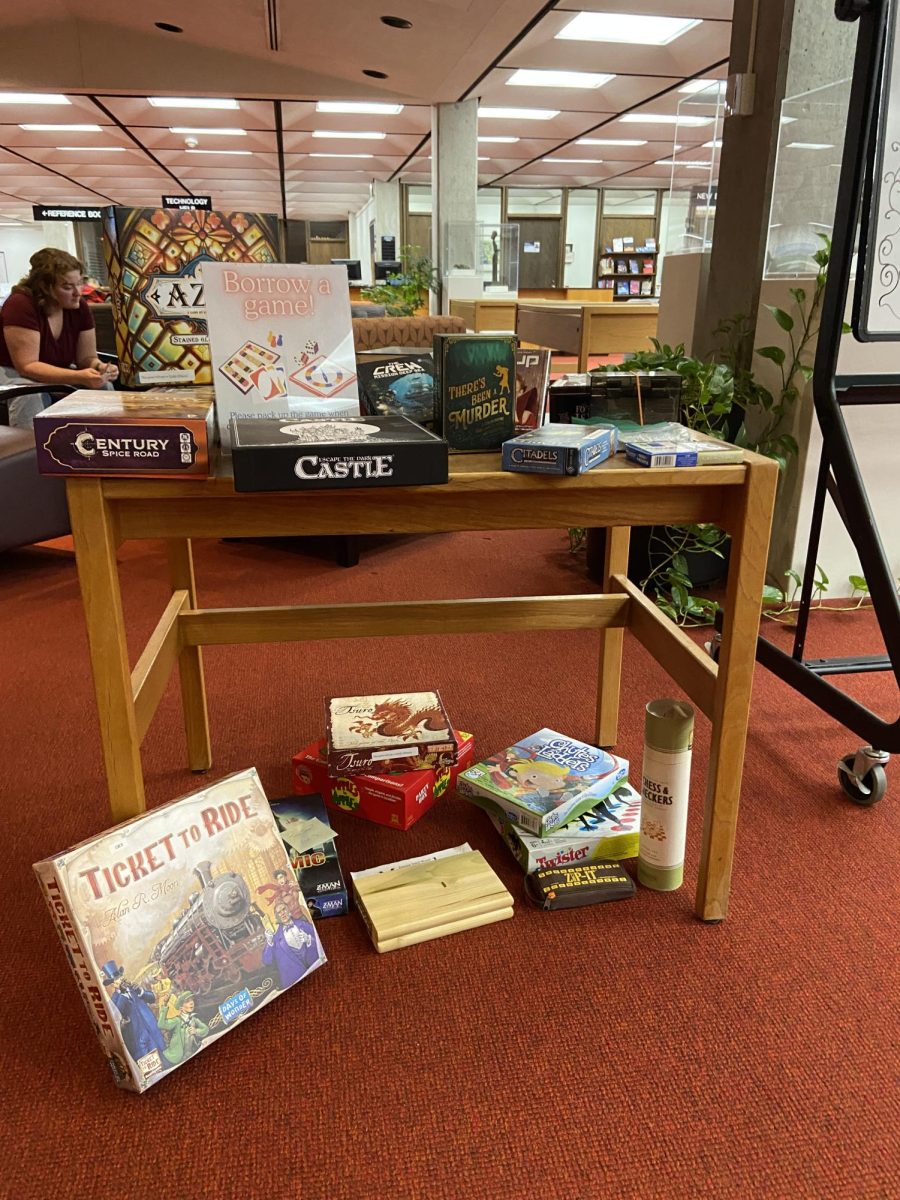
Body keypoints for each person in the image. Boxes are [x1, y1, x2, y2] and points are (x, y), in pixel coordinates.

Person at [0, 247, 118, 427]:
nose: (78, 292)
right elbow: (27, 366)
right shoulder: (20, 304)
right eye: (67, 287)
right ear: (45, 287)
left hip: (55, 368)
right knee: (30, 395)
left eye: (79, 283)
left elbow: (86, 358)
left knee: (103, 387)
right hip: (11, 371)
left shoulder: (80, 307)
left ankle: (105, 443)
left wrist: (100, 367)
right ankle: (32, 452)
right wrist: (78, 376)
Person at [262, 900, 320, 990]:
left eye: (284, 909)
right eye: (279, 913)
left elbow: (319, 941)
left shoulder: (303, 924)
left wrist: (309, 940)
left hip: (317, 970)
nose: (282, 913)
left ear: (289, 911)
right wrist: (269, 942)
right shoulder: (276, 939)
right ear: (277, 917)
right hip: (295, 983)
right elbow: (267, 961)